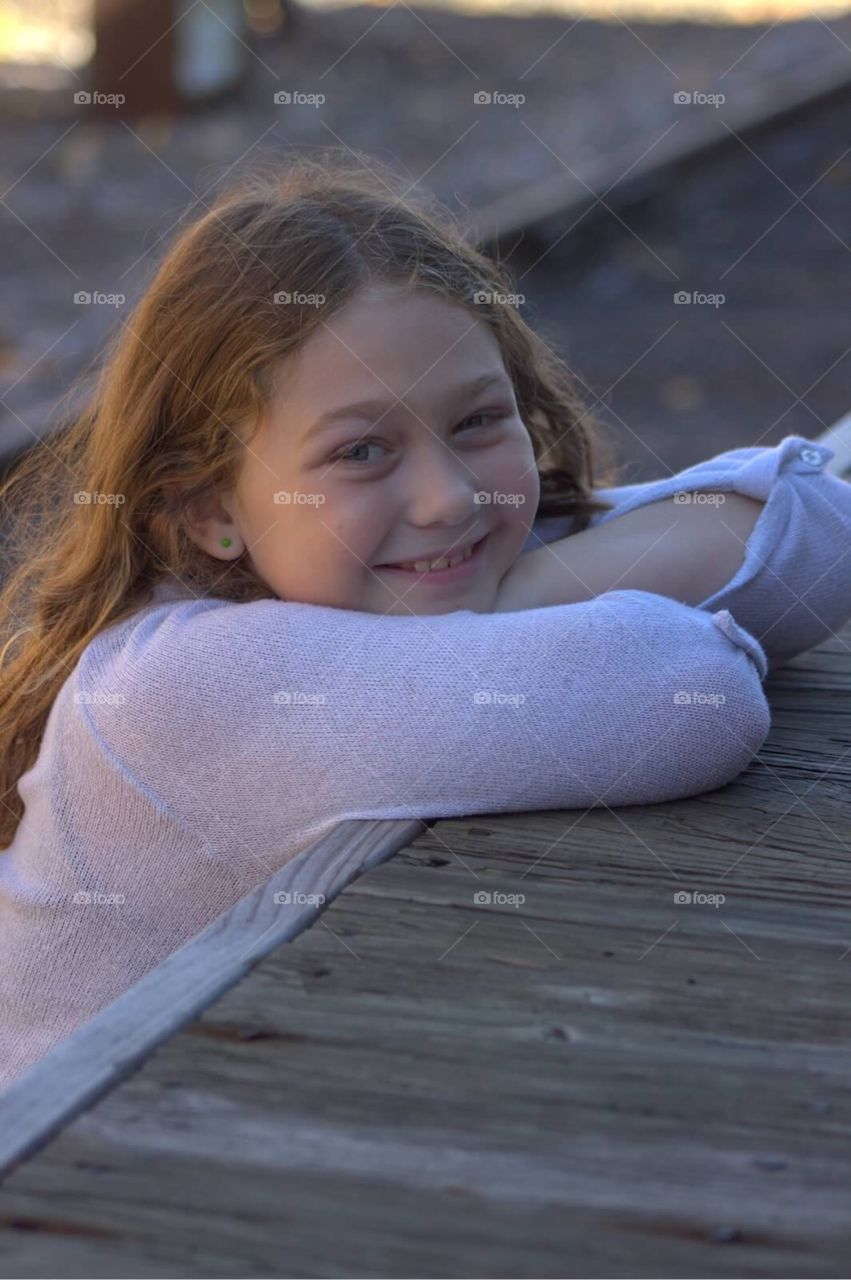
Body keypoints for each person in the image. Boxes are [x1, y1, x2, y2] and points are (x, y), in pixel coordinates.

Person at [0, 150, 848, 1090]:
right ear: (209, 511)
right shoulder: (172, 688)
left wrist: (495, 600)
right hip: (56, 1177)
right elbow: (689, 696)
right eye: (361, 451)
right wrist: (494, 612)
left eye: (480, 422)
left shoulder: (379, 570)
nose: (446, 498)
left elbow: (815, 529)